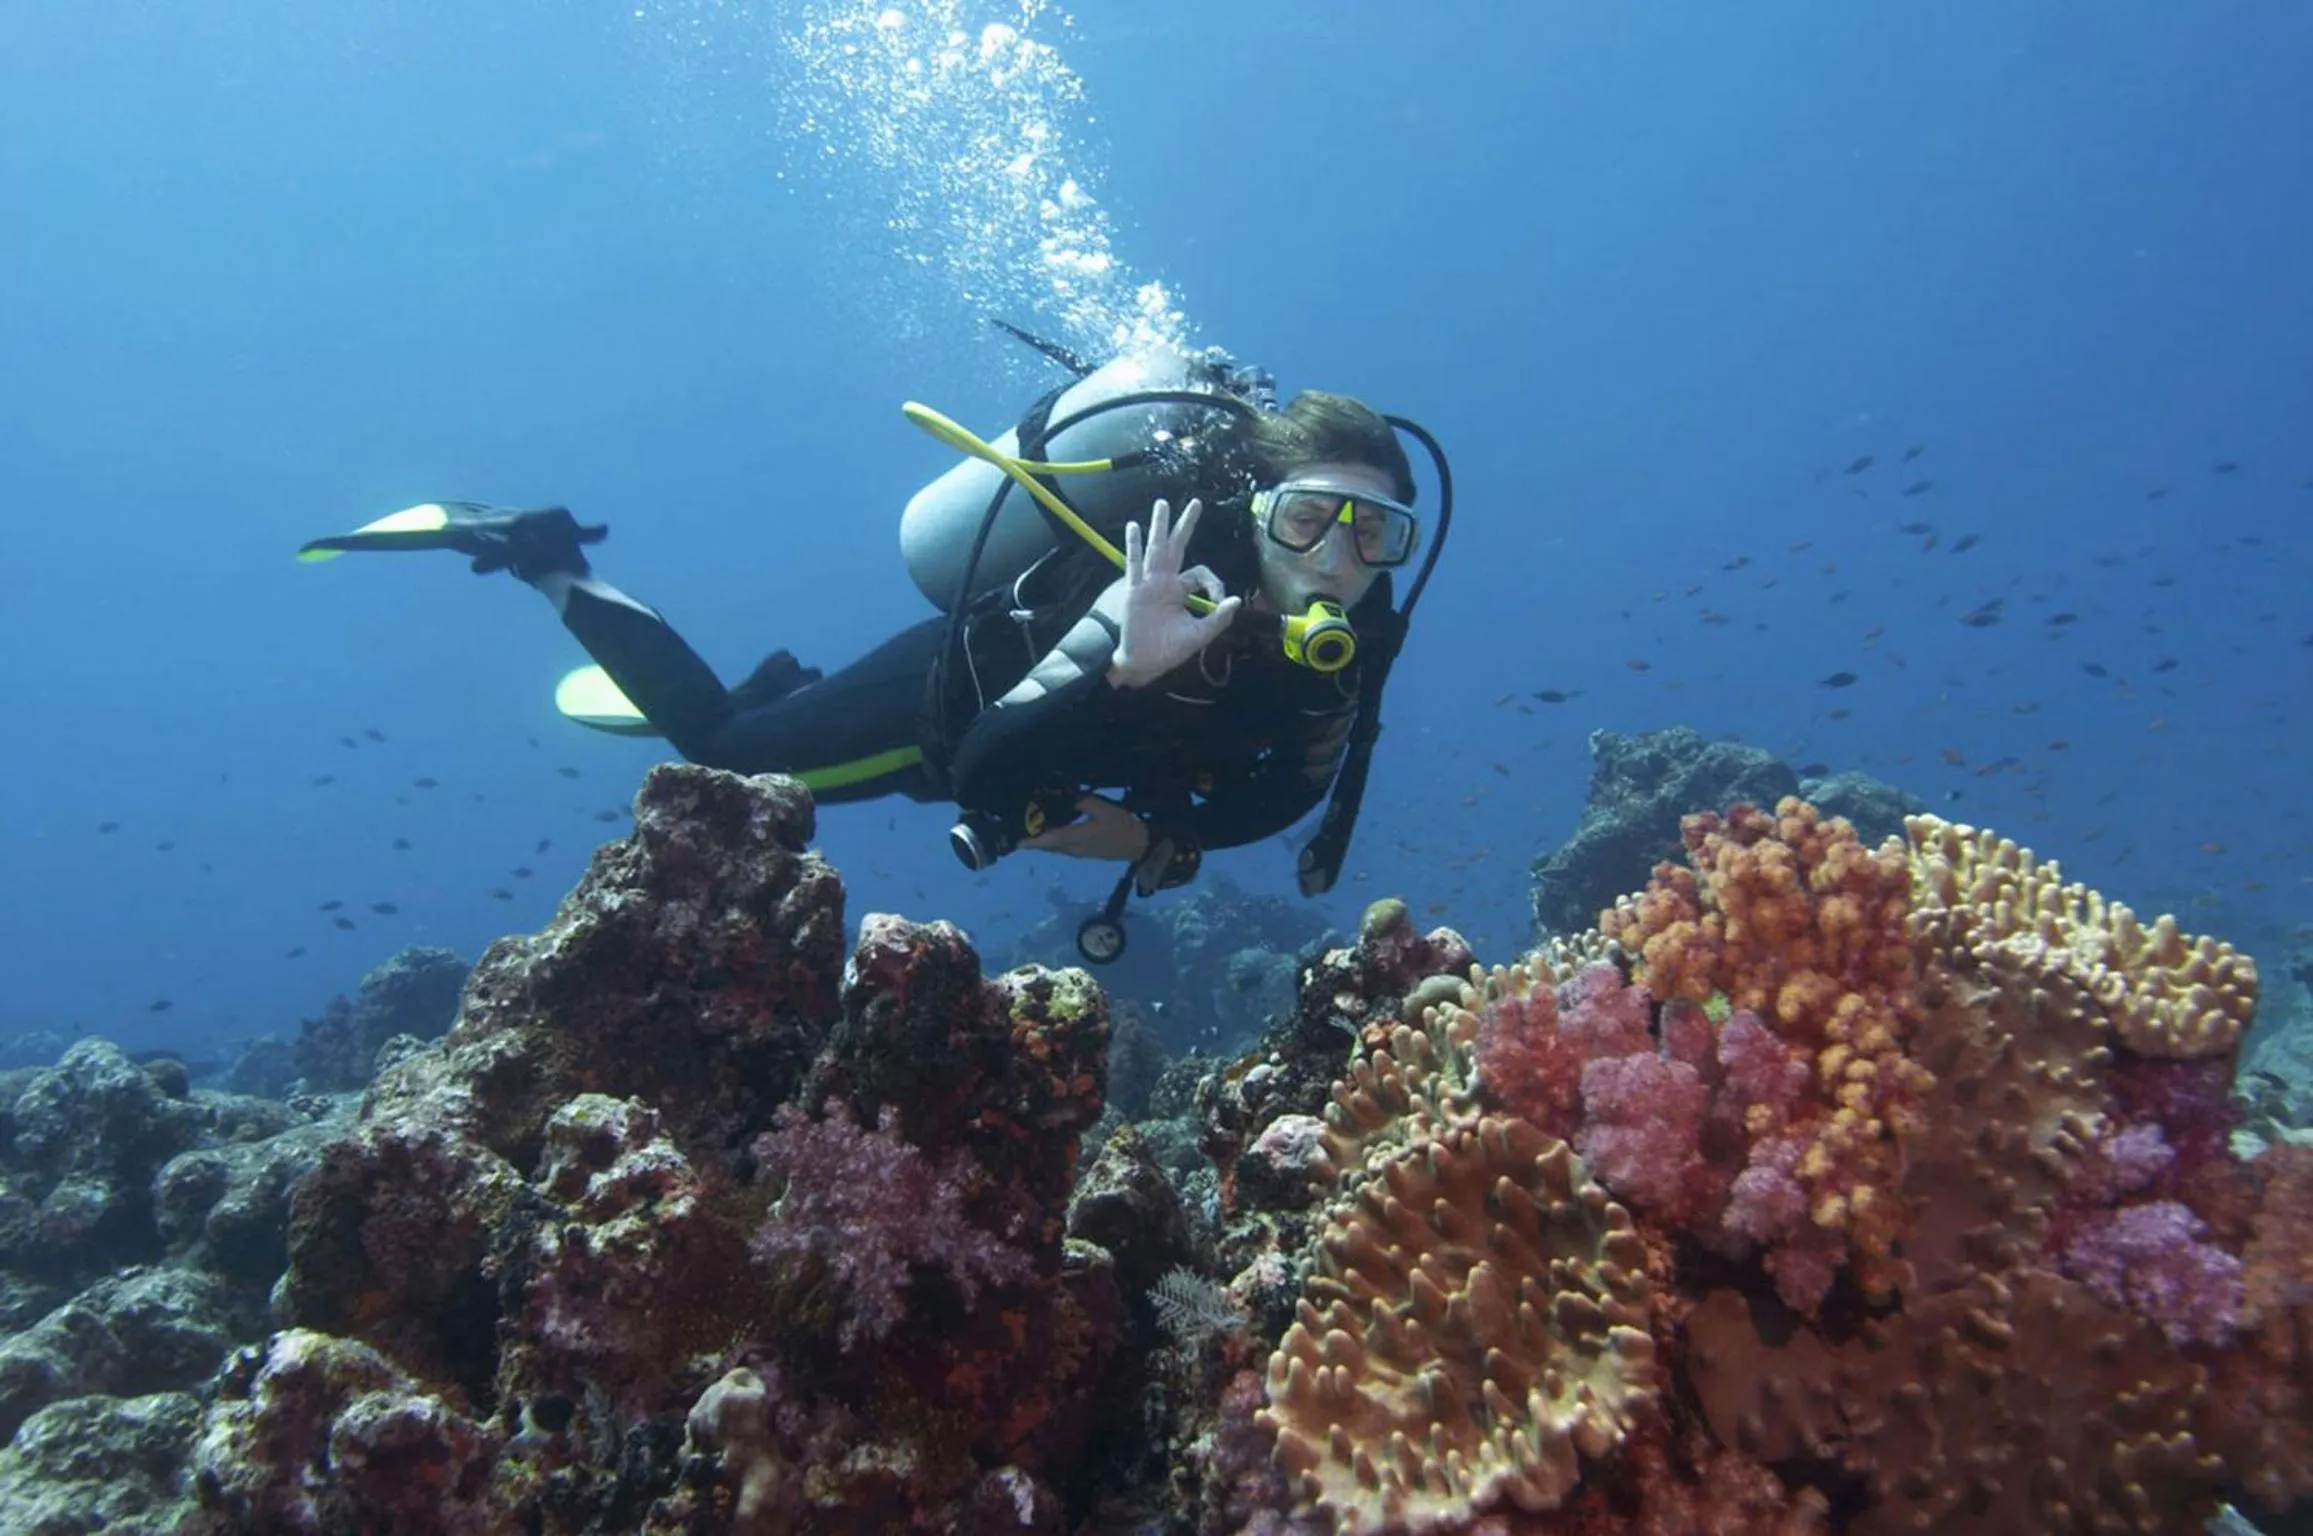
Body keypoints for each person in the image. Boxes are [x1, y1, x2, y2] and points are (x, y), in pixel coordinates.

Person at [300, 344, 1449, 959]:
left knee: (770, 730)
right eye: (1309, 515)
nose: (1338, 558)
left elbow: (1275, 805)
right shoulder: (1161, 567)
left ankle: (786, 691)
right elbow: (988, 773)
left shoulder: (1354, 646)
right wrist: (1126, 666)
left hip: (1051, 753)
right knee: (725, 761)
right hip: (952, 701)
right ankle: (544, 552)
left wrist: (1155, 832)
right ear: (1258, 515)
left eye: (1375, 532)